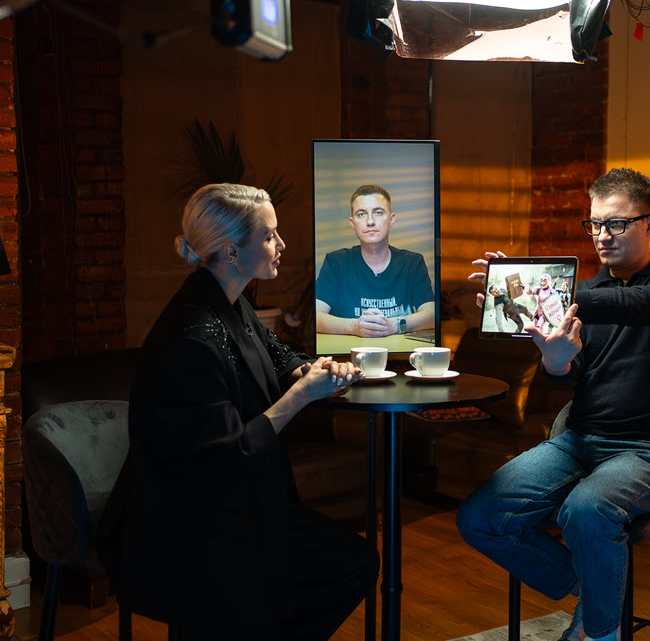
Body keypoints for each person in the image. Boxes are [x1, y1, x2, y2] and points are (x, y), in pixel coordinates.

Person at [457, 168, 650, 641]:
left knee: (587, 509)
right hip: (577, 442)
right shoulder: (584, 296)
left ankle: (599, 631)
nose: (602, 235)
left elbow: (637, 305)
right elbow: (568, 373)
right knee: (480, 519)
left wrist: (532, 287)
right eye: (594, 224)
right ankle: (595, 590)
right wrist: (555, 361)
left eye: (616, 223)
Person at [118, 183, 380, 640]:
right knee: (346, 566)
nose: (282, 245)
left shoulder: (230, 302)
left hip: (240, 506)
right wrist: (301, 396)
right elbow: (229, 453)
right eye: (269, 236)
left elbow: (276, 354)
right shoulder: (191, 337)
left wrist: (308, 370)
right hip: (196, 524)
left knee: (354, 562)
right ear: (231, 251)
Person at [315, 184, 434, 337]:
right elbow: (315, 316)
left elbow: (432, 315)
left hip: (400, 350)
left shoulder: (412, 263)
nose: (370, 221)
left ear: (391, 219)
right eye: (361, 214)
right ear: (352, 223)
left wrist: (394, 325)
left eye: (378, 212)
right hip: (349, 350)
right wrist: (354, 327)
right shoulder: (336, 263)